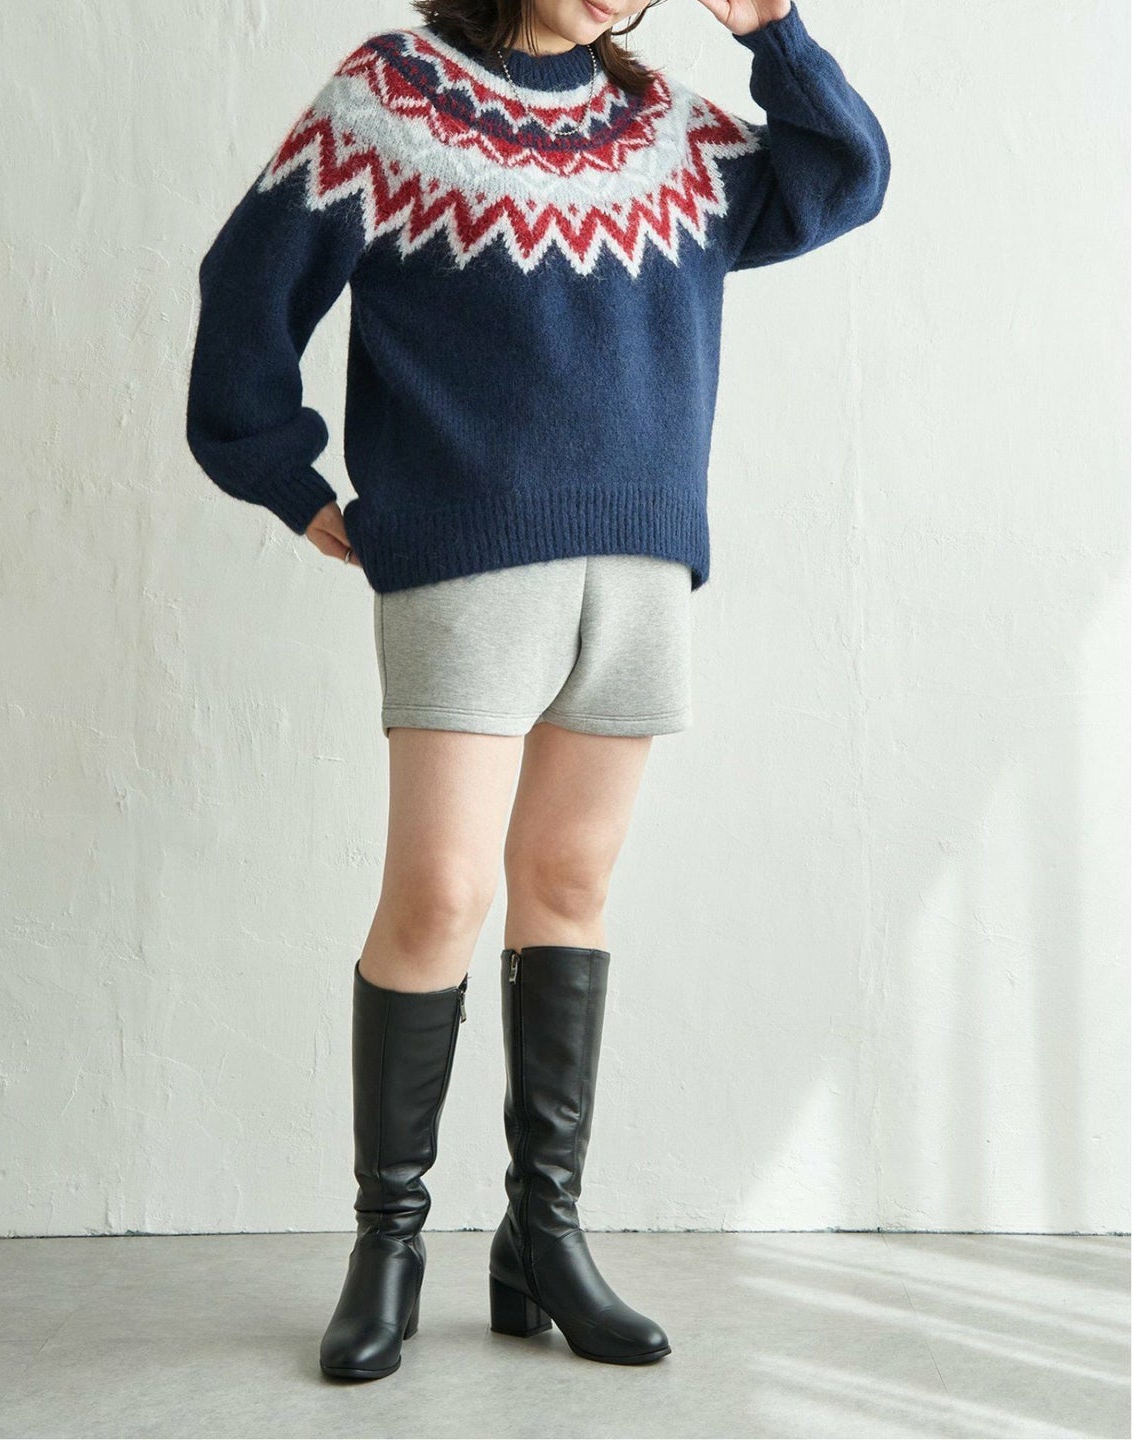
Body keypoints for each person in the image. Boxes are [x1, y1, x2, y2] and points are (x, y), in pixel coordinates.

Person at [186, 0, 889, 1381]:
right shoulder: (393, 93)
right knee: (440, 895)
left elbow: (843, 177)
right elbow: (247, 282)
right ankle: (387, 1246)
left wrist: (776, 33)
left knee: (567, 884)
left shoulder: (670, 129)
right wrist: (281, 471)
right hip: (462, 560)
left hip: (640, 563)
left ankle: (542, 1237)